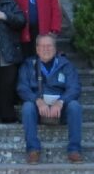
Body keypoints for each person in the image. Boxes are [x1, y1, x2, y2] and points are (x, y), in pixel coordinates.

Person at [17, 34, 83, 164]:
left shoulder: (66, 65)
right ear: (36, 49)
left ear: (55, 48)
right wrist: (37, 100)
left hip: (60, 109)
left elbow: (74, 87)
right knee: (27, 107)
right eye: (42, 46)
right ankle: (33, 150)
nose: (45, 49)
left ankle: (74, 150)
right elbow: (22, 88)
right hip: (39, 109)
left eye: (49, 46)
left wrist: (61, 101)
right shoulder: (28, 65)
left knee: (75, 106)